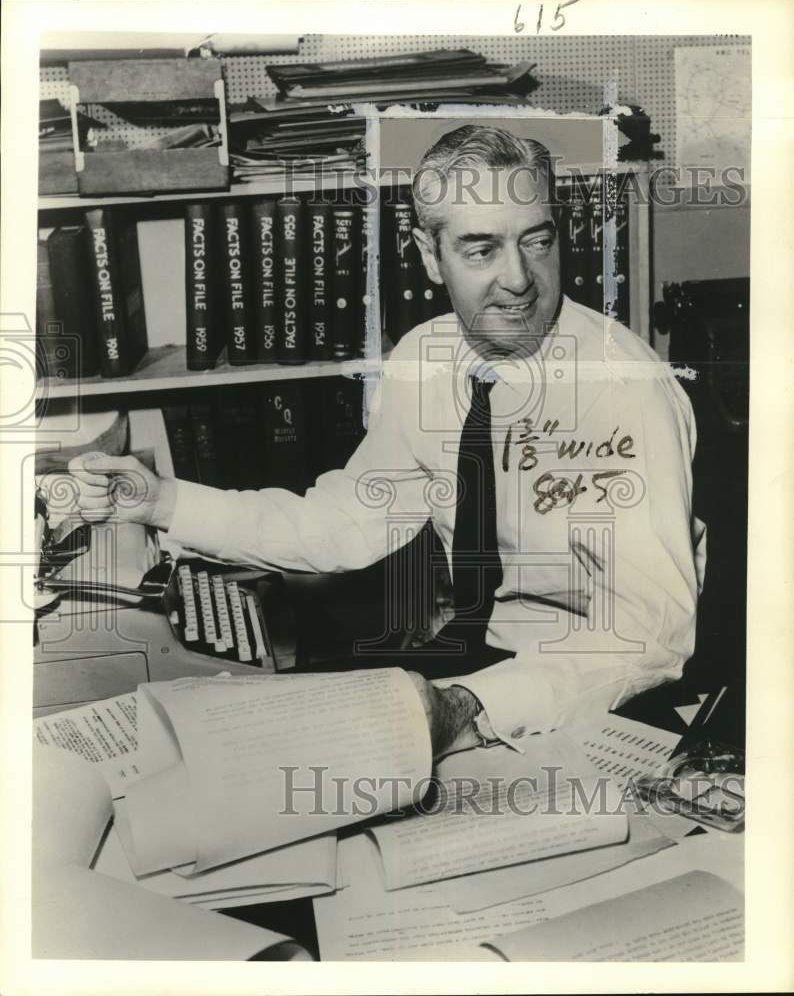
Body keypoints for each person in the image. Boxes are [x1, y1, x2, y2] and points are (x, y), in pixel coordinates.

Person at [69, 124, 705, 759]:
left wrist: (470, 708)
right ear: (429, 256)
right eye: (481, 250)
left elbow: (651, 634)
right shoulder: (425, 359)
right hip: (481, 657)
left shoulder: (626, 390)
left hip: (600, 688)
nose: (518, 279)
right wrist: (162, 501)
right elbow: (344, 525)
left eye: (536, 241)